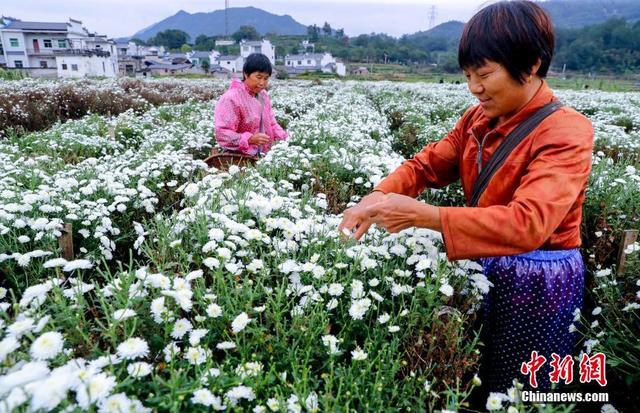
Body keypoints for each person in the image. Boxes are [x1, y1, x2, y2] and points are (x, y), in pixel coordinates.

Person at [339, 0, 593, 393]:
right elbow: (426, 166)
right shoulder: (477, 119)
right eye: (468, 74)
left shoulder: (565, 131)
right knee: (474, 375)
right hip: (481, 259)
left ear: (531, 65)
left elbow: (528, 223)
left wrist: (426, 216)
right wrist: (375, 197)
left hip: (536, 279)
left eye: (485, 74)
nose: (474, 87)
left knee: (523, 388)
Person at [214, 53, 288, 157]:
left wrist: (286, 138)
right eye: (258, 77)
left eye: (266, 78)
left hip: (263, 154)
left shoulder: (263, 95)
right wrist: (249, 139)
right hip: (239, 157)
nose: (262, 83)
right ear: (246, 74)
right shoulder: (231, 98)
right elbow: (222, 133)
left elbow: (272, 123)